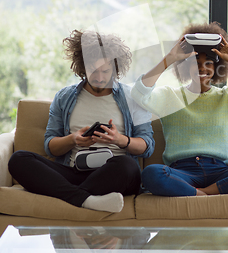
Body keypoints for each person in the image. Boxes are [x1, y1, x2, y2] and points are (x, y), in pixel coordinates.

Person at [8, 30, 154, 213]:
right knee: (19, 159)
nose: (100, 78)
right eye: (93, 71)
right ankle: (87, 200)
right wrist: (73, 139)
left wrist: (120, 140)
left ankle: (71, 197)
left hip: (113, 174)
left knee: (128, 166)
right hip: (73, 173)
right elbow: (50, 146)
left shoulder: (131, 98)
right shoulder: (64, 97)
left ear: (115, 68)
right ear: (82, 67)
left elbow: (147, 146)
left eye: (105, 71)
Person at [131, 22, 228, 197]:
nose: (202, 67)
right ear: (186, 66)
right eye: (195, 62)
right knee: (151, 173)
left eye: (208, 62)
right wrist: (169, 59)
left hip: (220, 172)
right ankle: (207, 194)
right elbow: (139, 93)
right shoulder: (170, 97)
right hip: (182, 172)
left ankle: (201, 193)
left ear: (217, 67)